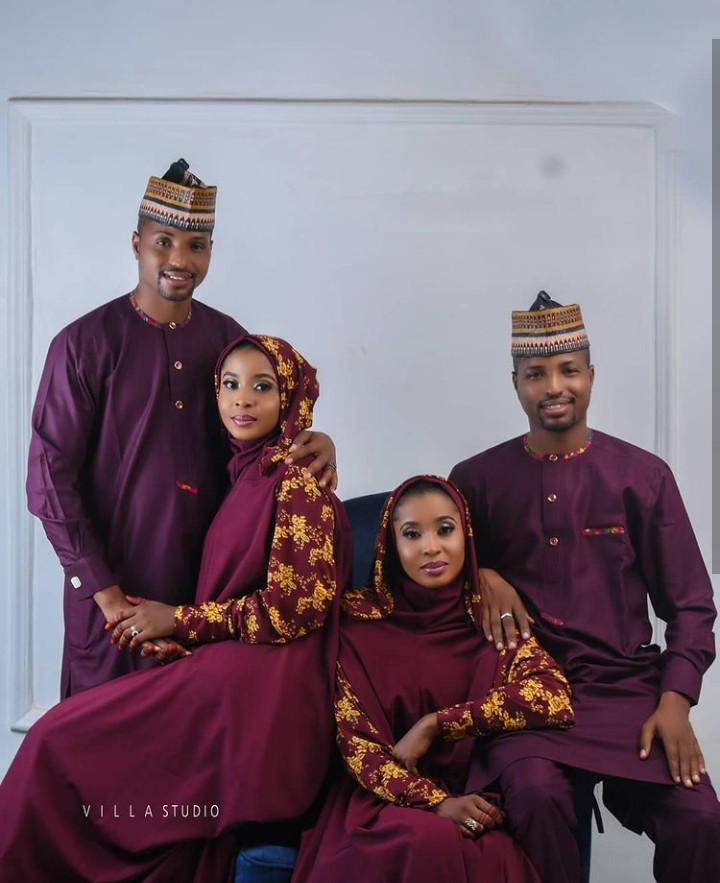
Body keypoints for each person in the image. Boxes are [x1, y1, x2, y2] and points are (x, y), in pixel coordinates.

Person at [0, 333, 350, 883]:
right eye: (229, 384)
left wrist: (180, 620)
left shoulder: (298, 483)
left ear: (291, 398)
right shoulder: (249, 473)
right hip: (234, 672)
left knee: (55, 741)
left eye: (262, 387)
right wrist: (183, 637)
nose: (242, 399)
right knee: (62, 742)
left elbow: (293, 609)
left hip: (266, 696)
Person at [26, 159, 337, 696]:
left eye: (196, 245)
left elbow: (261, 444)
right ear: (136, 244)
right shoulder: (83, 345)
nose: (179, 259)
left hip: (206, 596)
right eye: (163, 242)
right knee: (98, 736)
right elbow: (49, 482)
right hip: (111, 599)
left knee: (192, 736)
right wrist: (106, 595)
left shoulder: (227, 339)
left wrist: (319, 440)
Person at [449, 292, 720, 883]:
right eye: (535, 374)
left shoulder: (643, 476)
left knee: (700, 819)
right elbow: (435, 574)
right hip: (523, 699)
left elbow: (692, 607)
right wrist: (482, 574)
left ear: (591, 375)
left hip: (628, 693)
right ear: (514, 384)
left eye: (568, 369)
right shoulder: (474, 480)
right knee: (535, 795)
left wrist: (675, 702)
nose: (554, 386)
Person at [292, 475, 574, 883]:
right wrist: (436, 802)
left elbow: (552, 696)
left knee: (487, 852)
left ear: (466, 535)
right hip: (384, 798)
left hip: (473, 795)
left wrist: (438, 724)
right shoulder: (356, 622)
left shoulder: (490, 618)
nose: (431, 547)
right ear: (391, 544)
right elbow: (357, 747)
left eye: (445, 529)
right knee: (427, 840)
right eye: (412, 534)